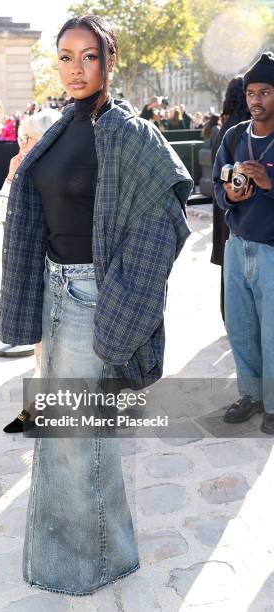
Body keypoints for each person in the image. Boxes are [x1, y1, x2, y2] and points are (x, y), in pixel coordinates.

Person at [0, 14, 192, 595]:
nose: (75, 69)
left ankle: (94, 564)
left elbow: (165, 227)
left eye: (88, 56)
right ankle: (80, 556)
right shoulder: (60, 125)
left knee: (83, 443)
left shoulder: (129, 133)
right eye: (65, 56)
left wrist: (122, 312)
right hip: (56, 289)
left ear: (109, 61)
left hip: (93, 299)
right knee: (61, 437)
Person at [0, 109, 61, 433]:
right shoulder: (25, 171)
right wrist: (9, 179)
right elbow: (3, 215)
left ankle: (39, 411)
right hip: (34, 275)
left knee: (52, 352)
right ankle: (36, 409)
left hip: (60, 274)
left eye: (26, 139)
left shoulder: (56, 176)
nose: (20, 146)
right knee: (41, 349)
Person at [213, 52, 274, 434]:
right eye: (251, 92)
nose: (255, 100)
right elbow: (218, 187)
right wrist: (231, 197)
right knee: (241, 328)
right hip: (238, 246)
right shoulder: (234, 136)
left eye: (265, 92)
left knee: (273, 330)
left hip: (271, 250)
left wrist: (268, 184)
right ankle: (250, 394)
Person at [210, 76, 250, 320]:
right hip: (239, 206)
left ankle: (228, 315)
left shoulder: (224, 128)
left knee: (229, 267)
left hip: (222, 204)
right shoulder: (243, 131)